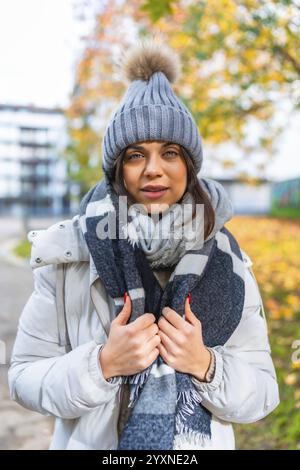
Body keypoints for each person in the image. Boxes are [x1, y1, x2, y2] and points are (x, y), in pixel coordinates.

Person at [8, 37, 279, 450]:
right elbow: (24, 377)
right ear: (118, 169)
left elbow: (263, 392)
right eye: (135, 155)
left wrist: (205, 365)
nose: (154, 170)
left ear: (188, 166)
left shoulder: (228, 259)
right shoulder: (70, 254)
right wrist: (102, 366)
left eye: (170, 152)